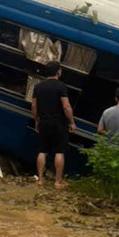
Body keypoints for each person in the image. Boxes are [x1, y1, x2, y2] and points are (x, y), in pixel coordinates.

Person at [32, 61, 75, 189]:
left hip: (44, 121)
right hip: (59, 123)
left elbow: (34, 105)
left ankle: (40, 179)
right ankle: (58, 181)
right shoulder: (61, 86)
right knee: (59, 151)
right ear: (58, 71)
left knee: (42, 151)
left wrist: (37, 120)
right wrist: (72, 122)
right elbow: (66, 106)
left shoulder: (38, 86)